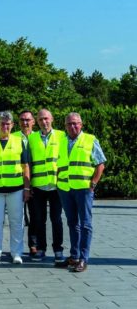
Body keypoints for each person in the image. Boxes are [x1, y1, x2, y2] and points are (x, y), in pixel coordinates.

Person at [56, 112, 106, 272]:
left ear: (81, 124)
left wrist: (93, 183)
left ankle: (84, 259)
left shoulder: (90, 140)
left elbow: (100, 164)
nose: (72, 126)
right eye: (69, 124)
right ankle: (74, 256)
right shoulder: (62, 141)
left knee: (85, 224)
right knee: (72, 223)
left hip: (84, 189)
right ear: (65, 126)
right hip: (65, 188)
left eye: (75, 123)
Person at [0, 111, 31, 265]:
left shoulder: (18, 141)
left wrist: (27, 189)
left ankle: (16, 253)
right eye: (2, 123)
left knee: (17, 222)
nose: (5, 126)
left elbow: (25, 166)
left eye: (8, 124)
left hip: (16, 190)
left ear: (12, 125)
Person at [28, 109, 65, 263]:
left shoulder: (62, 136)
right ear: (37, 121)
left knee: (56, 219)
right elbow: (28, 163)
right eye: (41, 119)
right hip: (38, 186)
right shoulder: (32, 138)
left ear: (52, 119)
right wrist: (28, 185)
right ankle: (41, 249)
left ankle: (58, 250)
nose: (44, 122)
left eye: (46, 118)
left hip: (56, 186)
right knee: (39, 219)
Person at [13, 110, 38, 257]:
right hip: (16, 181)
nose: (25, 122)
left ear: (33, 121)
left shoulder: (38, 137)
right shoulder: (13, 137)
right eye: (22, 120)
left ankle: (33, 244)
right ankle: (17, 246)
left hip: (35, 181)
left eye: (28, 120)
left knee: (34, 215)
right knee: (17, 217)